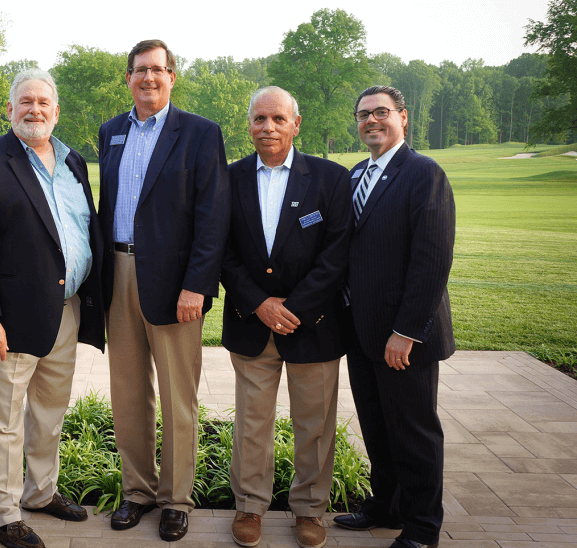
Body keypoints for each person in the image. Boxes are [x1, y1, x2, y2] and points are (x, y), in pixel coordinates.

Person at [0, 68, 104, 548]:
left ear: (56, 111)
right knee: (1, 419)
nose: (34, 109)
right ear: (11, 110)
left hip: (66, 308)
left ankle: (41, 492)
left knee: (48, 412)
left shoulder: (73, 160)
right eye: (25, 102)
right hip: (9, 318)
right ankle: (2, 514)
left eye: (43, 102)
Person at [97, 39, 228, 542]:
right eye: (139, 71)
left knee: (178, 397)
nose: (148, 78)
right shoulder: (111, 132)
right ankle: (138, 492)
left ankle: (176, 498)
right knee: (128, 394)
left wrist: (197, 285)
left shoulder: (199, 133)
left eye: (158, 69)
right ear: (127, 78)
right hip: (119, 273)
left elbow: (212, 216)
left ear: (172, 76)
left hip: (175, 286)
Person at [223, 86, 352, 548]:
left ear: (296, 124)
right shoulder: (229, 177)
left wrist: (295, 308)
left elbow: (336, 256)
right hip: (250, 322)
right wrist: (260, 303)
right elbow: (223, 251)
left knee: (314, 425)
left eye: (278, 119)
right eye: (259, 119)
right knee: (251, 424)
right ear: (250, 125)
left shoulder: (332, 179)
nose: (268, 128)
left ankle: (310, 510)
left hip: (313, 327)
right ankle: (250, 507)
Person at [333, 85, 455, 548]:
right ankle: (385, 506)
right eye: (363, 114)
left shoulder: (424, 173)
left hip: (403, 337)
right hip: (362, 333)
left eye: (381, 112)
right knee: (377, 428)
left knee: (415, 434)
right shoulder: (356, 174)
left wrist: (406, 332)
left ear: (403, 117)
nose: (371, 121)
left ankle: (423, 527)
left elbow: (432, 260)